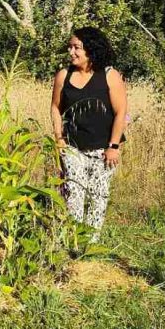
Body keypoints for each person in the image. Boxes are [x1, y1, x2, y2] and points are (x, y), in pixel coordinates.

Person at [51, 26, 127, 242]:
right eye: (70, 46)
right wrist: (59, 139)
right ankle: (73, 242)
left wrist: (113, 146)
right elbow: (55, 108)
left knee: (97, 197)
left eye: (77, 48)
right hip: (73, 148)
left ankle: (89, 246)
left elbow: (121, 111)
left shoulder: (109, 76)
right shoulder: (63, 76)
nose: (71, 52)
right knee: (73, 194)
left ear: (91, 50)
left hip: (104, 150)